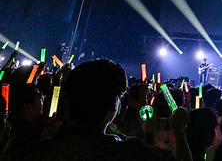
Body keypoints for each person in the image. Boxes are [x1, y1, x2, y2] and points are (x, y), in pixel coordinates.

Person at [17, 58, 189, 160]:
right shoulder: (129, 153)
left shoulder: (30, 153)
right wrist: (178, 131)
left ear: (67, 101)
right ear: (114, 105)